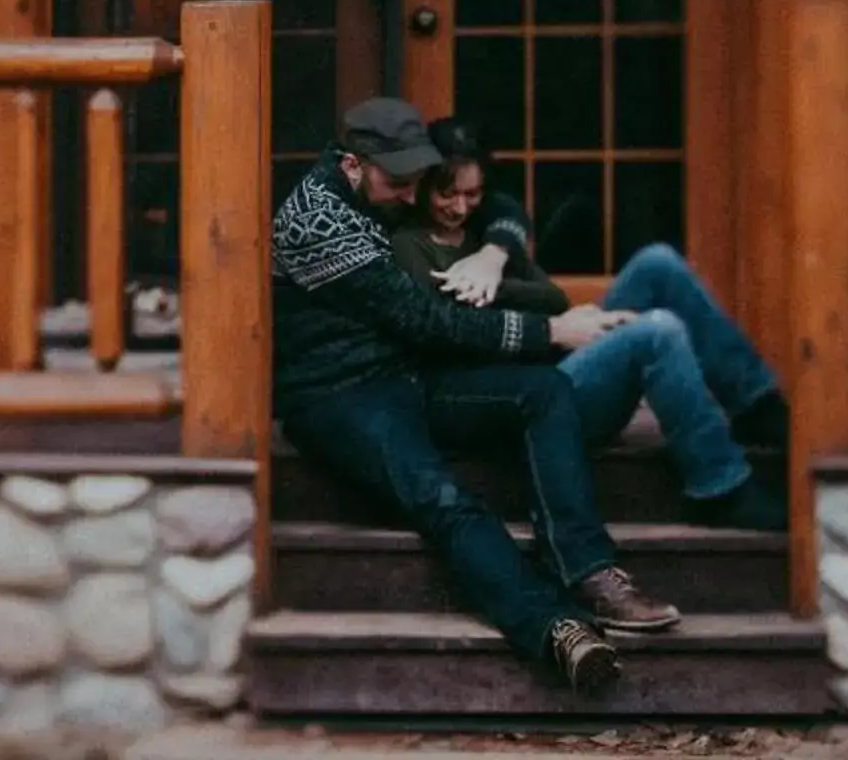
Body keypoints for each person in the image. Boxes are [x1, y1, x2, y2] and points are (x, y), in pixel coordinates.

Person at [273, 98, 682, 696]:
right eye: (401, 184)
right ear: (353, 164)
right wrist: (550, 331)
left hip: (409, 376)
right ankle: (558, 630)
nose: (414, 198)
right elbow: (427, 321)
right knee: (445, 501)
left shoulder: (379, 192)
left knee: (544, 391)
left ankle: (589, 570)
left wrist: (493, 252)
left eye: (419, 183)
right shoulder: (315, 221)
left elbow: (502, 205)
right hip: (340, 396)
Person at [398, 118, 792, 532]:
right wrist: (549, 324)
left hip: (551, 360)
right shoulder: (409, 247)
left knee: (658, 264)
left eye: (472, 193)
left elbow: (551, 297)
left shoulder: (485, 232)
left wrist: (494, 268)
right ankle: (720, 486)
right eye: (447, 194)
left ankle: (756, 406)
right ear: (423, 185)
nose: (459, 207)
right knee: (658, 332)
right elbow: (456, 333)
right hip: (528, 406)